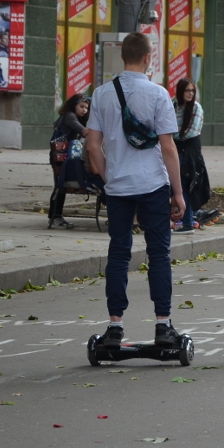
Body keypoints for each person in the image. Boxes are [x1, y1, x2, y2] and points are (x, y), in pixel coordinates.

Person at [86, 32, 186, 350]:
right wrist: (178, 192)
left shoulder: (101, 94)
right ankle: (163, 325)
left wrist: (108, 175)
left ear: (122, 56)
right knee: (158, 254)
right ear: (147, 58)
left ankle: (115, 327)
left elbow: (92, 144)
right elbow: (168, 147)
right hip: (153, 185)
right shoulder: (158, 95)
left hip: (118, 187)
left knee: (118, 253)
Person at [172, 78, 213, 234]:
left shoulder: (196, 108)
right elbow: (163, 125)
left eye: (192, 91)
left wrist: (173, 133)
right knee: (176, 186)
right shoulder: (173, 106)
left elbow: (191, 132)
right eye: (187, 90)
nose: (190, 94)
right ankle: (184, 219)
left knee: (186, 185)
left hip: (190, 151)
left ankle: (188, 223)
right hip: (175, 150)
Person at [48, 93, 91, 229]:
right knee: (60, 186)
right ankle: (55, 217)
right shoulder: (69, 116)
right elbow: (85, 132)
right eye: (82, 106)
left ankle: (56, 216)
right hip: (59, 156)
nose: (84, 110)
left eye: (87, 108)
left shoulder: (75, 117)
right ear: (74, 106)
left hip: (64, 155)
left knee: (60, 186)